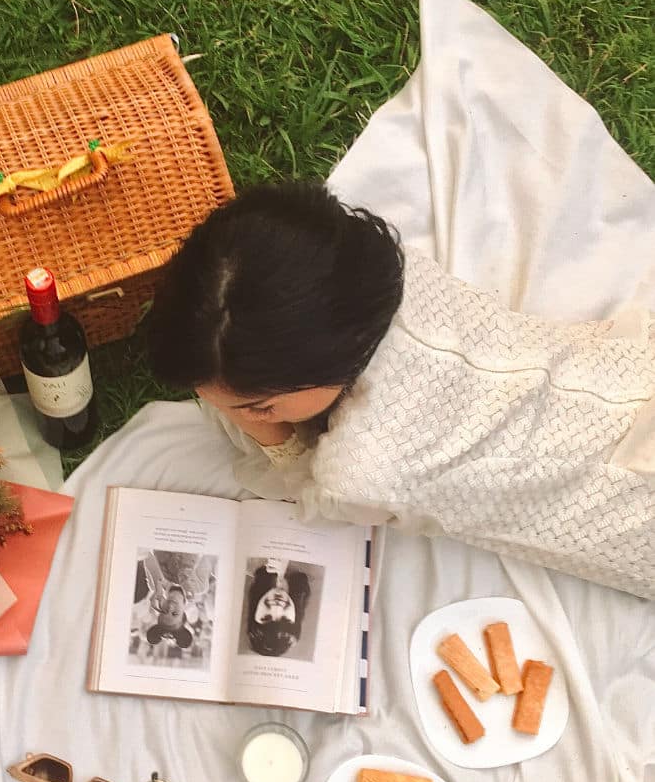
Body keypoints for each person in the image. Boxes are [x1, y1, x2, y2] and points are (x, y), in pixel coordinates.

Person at [147, 181, 655, 599]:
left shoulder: (360, 470)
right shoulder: (393, 271)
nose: (245, 415)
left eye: (257, 405)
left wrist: (264, 427)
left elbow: (300, 486)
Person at [245, 562, 311, 658]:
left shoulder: (250, 564)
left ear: (254, 614)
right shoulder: (311, 575)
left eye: (266, 617)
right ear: (296, 618)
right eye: (285, 619)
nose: (277, 608)